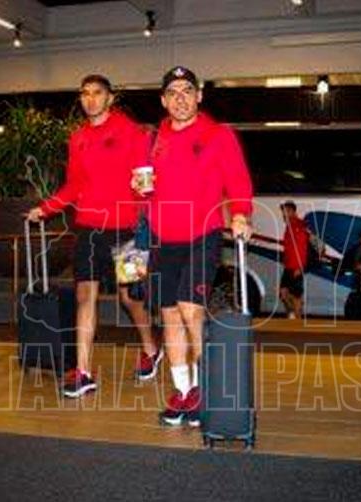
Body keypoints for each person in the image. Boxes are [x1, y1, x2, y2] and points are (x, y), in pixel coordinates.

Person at [27, 74, 161, 399]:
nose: (90, 99)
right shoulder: (78, 139)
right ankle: (84, 371)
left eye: (97, 93)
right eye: (85, 94)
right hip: (88, 228)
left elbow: (144, 179)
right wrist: (45, 208)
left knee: (131, 298)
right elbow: (74, 185)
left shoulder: (131, 132)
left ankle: (151, 348)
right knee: (85, 296)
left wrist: (145, 215)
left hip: (127, 230)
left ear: (110, 98)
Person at [135, 66, 253, 427]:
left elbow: (238, 180)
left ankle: (206, 391)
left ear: (199, 96)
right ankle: (184, 392)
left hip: (203, 233)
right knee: (169, 315)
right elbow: (143, 188)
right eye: (173, 92)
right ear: (163, 100)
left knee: (190, 309)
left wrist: (241, 215)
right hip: (163, 239)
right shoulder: (153, 139)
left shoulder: (218, 134)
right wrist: (139, 191)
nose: (180, 98)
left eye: (187, 90)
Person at [278, 201, 309, 320]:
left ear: (292, 211)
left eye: (285, 211)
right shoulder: (290, 226)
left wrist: (300, 267)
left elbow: (302, 248)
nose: (283, 214)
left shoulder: (298, 226)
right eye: (283, 212)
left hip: (296, 266)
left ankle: (297, 320)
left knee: (296, 296)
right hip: (289, 266)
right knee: (283, 293)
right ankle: (292, 314)